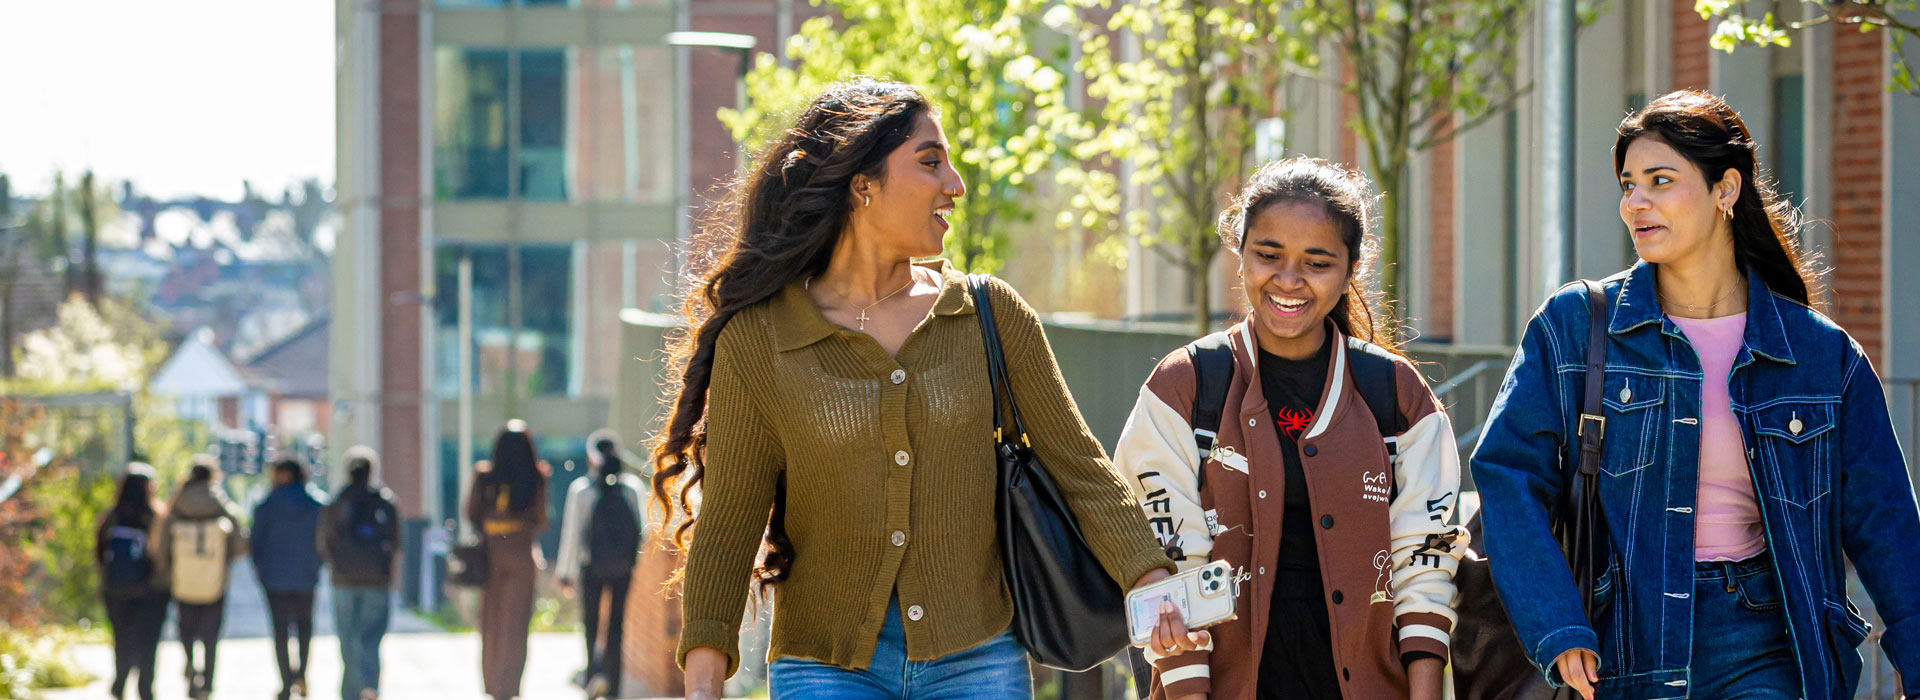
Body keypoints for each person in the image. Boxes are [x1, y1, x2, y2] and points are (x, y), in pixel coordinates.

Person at [651, 78, 1174, 700]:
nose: (955, 184)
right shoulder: (762, 340)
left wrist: (1150, 580)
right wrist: (704, 679)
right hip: (825, 666)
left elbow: (1080, 469)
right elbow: (730, 521)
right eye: (931, 162)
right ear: (862, 184)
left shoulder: (988, 314)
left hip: (978, 660)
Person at [1471, 90, 1920, 700]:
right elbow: (1507, 474)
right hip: (1622, 642)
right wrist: (1556, 624)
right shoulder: (1575, 326)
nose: (1636, 203)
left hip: (1771, 643)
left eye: (1661, 180)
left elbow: (1884, 519)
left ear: (1725, 190)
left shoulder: (1819, 354)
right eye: (1629, 185)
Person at [1114, 157, 1465, 700]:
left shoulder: (1397, 395)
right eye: (1268, 255)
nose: (1288, 279)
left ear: (1352, 268)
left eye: (1317, 262)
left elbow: (1425, 558)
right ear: (1240, 254)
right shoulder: (1183, 387)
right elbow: (1167, 557)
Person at [555, 429, 645, 700]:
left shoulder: (582, 489)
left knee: (591, 622)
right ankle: (614, 685)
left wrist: (565, 573)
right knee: (617, 623)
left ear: (591, 456)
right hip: (623, 568)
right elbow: (644, 530)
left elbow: (572, 534)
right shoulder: (632, 486)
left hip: (590, 566)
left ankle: (593, 676)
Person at [465, 419, 551, 700]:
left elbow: (470, 513)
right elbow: (540, 519)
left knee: (491, 623)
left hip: (491, 556)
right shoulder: (536, 477)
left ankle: (492, 685)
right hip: (522, 556)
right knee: (516, 625)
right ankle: (509, 687)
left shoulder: (483, 475)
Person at [155, 458, 247, 700]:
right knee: (211, 634)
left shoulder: (177, 504)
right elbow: (239, 544)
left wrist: (166, 571)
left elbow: (162, 545)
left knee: (185, 627)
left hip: (183, 578)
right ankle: (207, 682)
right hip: (214, 579)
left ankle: (190, 664)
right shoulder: (220, 502)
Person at [317, 446, 400, 700]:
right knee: (370, 638)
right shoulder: (385, 502)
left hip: (343, 579)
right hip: (376, 579)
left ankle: (352, 691)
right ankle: (369, 685)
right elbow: (396, 543)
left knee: (348, 638)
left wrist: (334, 564)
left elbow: (323, 542)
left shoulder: (337, 501)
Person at [253, 458, 327, 700]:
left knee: (281, 632)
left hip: (274, 580)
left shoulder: (265, 506)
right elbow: (324, 542)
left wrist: (262, 572)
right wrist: (316, 565)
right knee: (305, 629)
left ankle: (286, 683)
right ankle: (301, 676)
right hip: (307, 578)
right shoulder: (316, 505)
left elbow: (256, 544)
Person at [95, 463, 171, 700]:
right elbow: (164, 554)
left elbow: (99, 552)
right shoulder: (157, 516)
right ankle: (145, 688)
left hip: (116, 588)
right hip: (151, 590)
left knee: (122, 638)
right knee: (148, 642)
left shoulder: (111, 517)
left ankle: (120, 682)